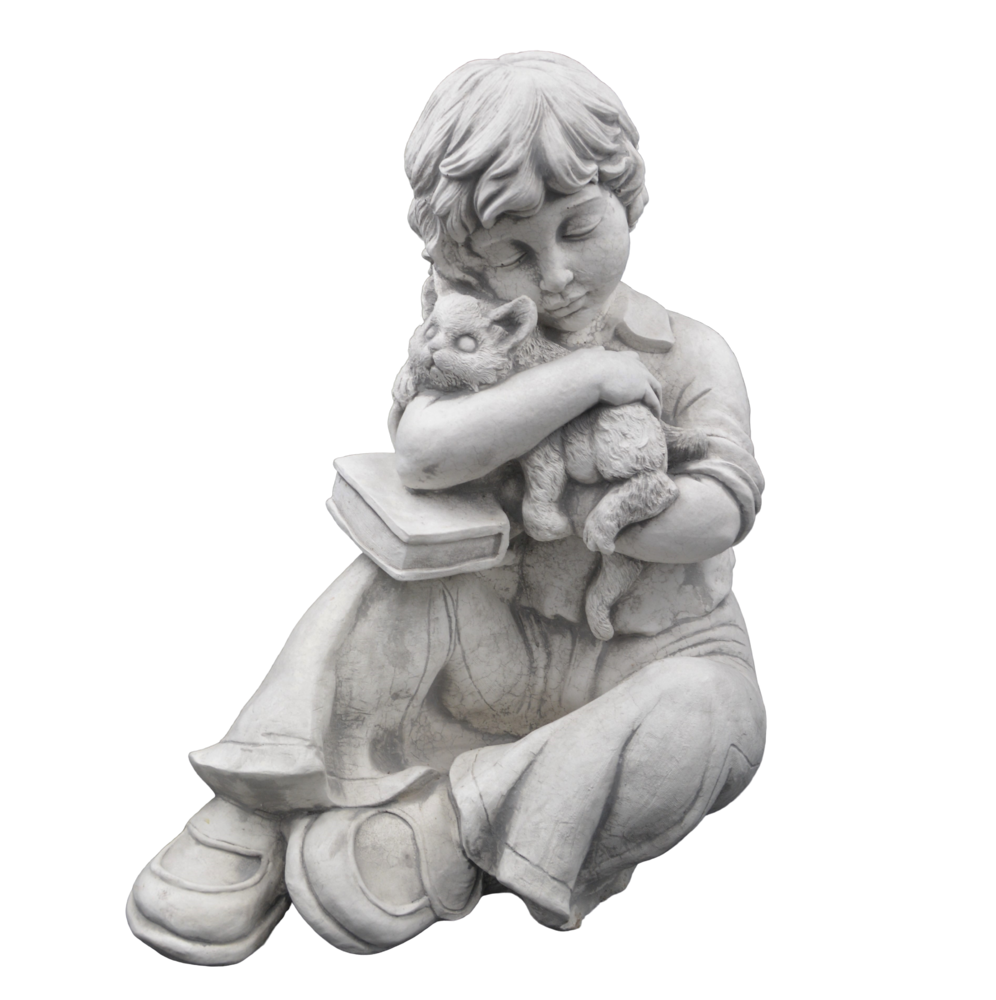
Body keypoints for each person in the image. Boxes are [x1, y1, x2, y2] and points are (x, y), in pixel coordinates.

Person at [125, 51, 767, 965]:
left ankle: (448, 829)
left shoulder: (691, 353)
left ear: (627, 200)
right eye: (513, 251)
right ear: (467, 257)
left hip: (647, 655)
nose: (556, 275)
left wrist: (575, 487)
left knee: (712, 721)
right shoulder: (468, 335)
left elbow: (716, 516)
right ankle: (262, 797)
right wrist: (585, 380)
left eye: (580, 228)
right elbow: (425, 453)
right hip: (491, 636)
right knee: (387, 580)